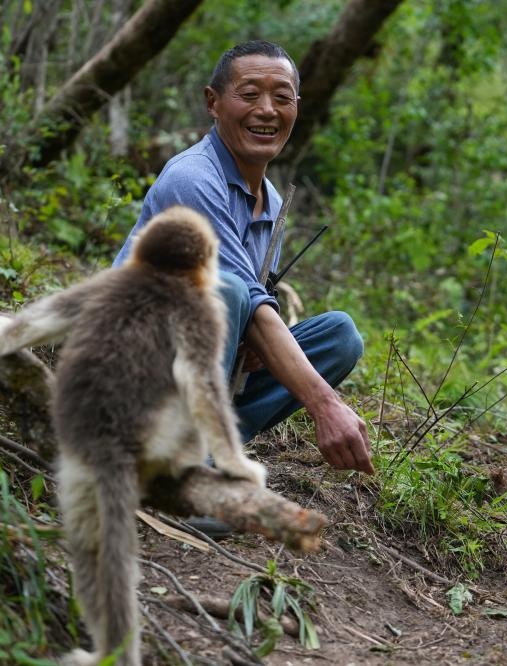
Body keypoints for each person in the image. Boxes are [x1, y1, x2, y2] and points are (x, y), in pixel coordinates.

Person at [114, 41, 374, 498]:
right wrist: (325, 404)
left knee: (339, 336)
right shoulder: (193, 177)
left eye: (282, 97)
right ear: (213, 103)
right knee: (230, 290)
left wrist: (248, 339)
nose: (267, 110)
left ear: (297, 106)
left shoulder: (272, 202)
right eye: (249, 94)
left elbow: (249, 307)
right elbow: (238, 296)